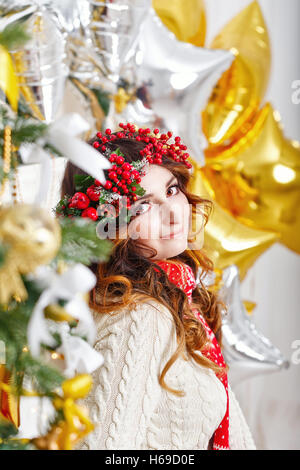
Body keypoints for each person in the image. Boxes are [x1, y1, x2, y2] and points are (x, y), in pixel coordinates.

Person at [57, 123, 256, 450]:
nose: (174, 214)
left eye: (172, 190)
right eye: (144, 205)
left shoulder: (178, 297)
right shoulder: (140, 317)